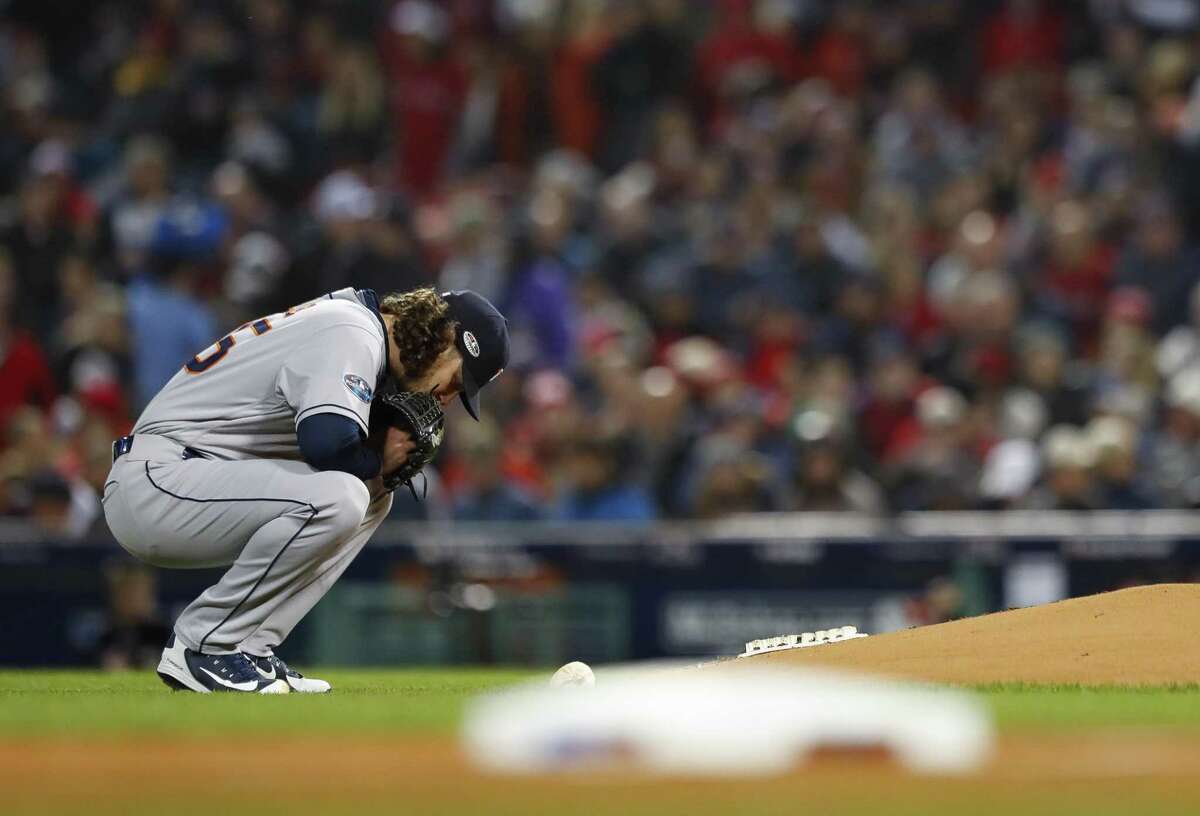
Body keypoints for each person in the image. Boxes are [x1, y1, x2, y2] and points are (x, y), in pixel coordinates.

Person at [102, 286, 508, 693]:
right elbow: (326, 443)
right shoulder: (353, 329)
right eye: (457, 379)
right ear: (443, 338)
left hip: (195, 477)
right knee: (343, 494)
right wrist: (375, 459)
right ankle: (202, 645)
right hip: (158, 481)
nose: (450, 399)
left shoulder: (355, 329)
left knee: (371, 496)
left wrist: (373, 467)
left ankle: (249, 647)